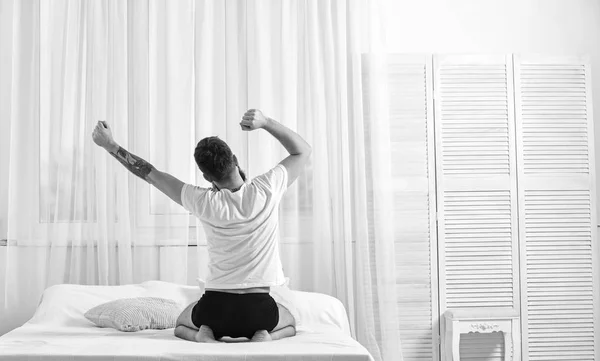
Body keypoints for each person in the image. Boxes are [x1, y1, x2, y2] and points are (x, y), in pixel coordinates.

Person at [92, 109, 311, 342]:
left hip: (215, 310)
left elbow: (150, 173)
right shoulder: (267, 188)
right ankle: (265, 337)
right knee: (291, 323)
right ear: (234, 160)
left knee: (179, 325)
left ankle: (201, 336)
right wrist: (265, 122)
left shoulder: (201, 200)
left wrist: (110, 145)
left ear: (207, 177)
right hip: (259, 311)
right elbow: (302, 150)